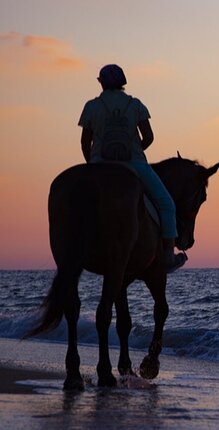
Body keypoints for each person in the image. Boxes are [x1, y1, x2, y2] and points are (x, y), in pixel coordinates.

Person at [78, 64, 187, 273]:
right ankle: (167, 256)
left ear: (101, 83)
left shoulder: (91, 106)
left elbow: (85, 143)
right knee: (166, 204)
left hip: (100, 165)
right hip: (134, 164)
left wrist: (91, 164)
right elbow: (149, 137)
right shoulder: (136, 105)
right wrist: (134, 150)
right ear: (123, 83)